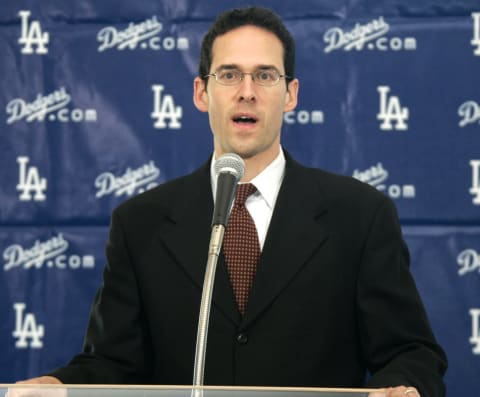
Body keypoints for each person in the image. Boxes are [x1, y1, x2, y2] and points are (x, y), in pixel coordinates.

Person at [17, 6, 447, 397]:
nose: (247, 91)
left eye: (264, 75)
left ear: (291, 94)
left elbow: (411, 352)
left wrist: (402, 387)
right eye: (228, 74)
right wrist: (60, 386)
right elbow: (113, 363)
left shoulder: (360, 214)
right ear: (202, 93)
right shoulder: (141, 222)